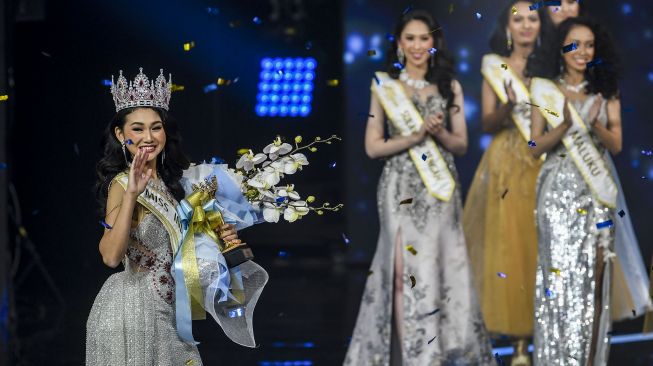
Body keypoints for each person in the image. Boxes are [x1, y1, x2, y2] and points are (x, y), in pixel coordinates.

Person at [86, 68, 267, 364]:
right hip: (134, 312)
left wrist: (223, 241)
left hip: (168, 312)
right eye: (137, 128)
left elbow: (183, 253)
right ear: (120, 134)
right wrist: (132, 194)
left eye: (156, 127)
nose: (148, 137)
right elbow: (110, 256)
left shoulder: (173, 188)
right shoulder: (121, 184)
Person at [344, 10, 493, 365]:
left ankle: (437, 352)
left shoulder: (448, 86)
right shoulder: (385, 87)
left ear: (433, 43)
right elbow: (373, 146)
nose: (416, 45)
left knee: (438, 267)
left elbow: (460, 144)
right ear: (398, 44)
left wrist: (438, 131)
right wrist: (415, 135)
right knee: (401, 273)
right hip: (399, 187)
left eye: (423, 38)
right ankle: (411, 355)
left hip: (440, 189)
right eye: (409, 38)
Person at [528, 17, 651, 365]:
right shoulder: (544, 89)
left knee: (596, 280)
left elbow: (616, 144)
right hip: (556, 191)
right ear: (560, 48)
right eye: (574, 44)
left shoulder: (605, 89)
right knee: (559, 280)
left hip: (596, 192)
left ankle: (590, 359)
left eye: (589, 45)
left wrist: (594, 120)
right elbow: (535, 146)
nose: (582, 52)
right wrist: (566, 124)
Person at [462, 2, 550, 365]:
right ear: (508, 28)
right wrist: (508, 106)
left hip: (545, 157)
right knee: (510, 247)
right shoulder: (494, 66)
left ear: (540, 26)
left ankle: (545, 335)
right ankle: (517, 344)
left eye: (532, 19)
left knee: (540, 245)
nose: (526, 26)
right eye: (519, 20)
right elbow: (486, 122)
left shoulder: (552, 65)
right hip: (507, 162)